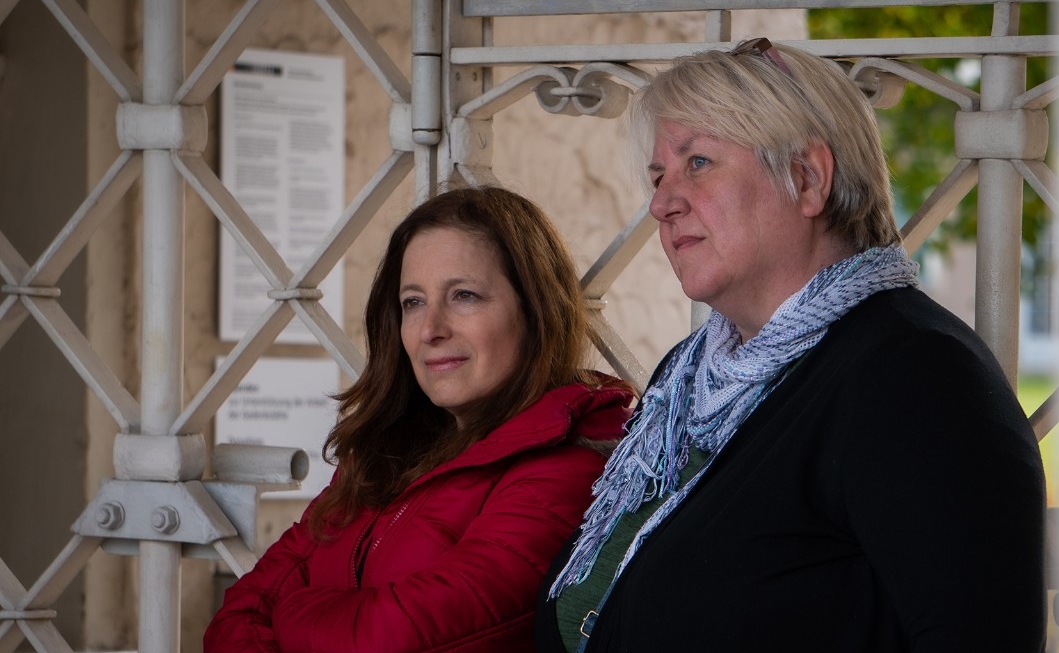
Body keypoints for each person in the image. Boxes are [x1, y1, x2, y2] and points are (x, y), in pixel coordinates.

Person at [536, 38, 1047, 652]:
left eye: (697, 161)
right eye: (657, 175)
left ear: (807, 179)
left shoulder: (915, 377)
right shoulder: (690, 378)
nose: (662, 203)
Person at [204, 186, 635, 653]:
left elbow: (393, 640)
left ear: (536, 310)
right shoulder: (386, 453)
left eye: (464, 295)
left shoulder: (573, 462)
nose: (430, 329)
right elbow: (235, 618)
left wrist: (292, 613)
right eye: (413, 302)